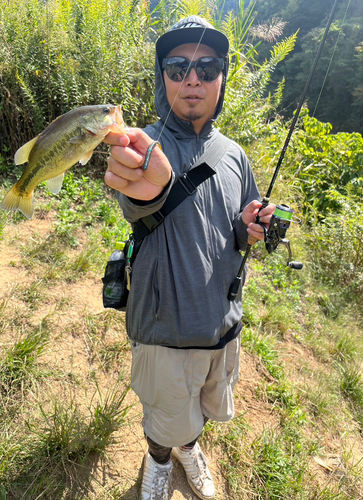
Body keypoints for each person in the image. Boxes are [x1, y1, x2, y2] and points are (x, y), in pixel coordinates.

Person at [104, 16, 275, 500]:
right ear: (163, 78)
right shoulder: (143, 143)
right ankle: (159, 459)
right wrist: (146, 186)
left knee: (199, 409)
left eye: (207, 66)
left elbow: (239, 229)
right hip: (164, 328)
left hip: (222, 323)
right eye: (178, 67)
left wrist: (250, 228)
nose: (193, 78)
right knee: (164, 415)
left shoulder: (234, 155)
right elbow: (135, 192)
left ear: (222, 77)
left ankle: (188, 450)